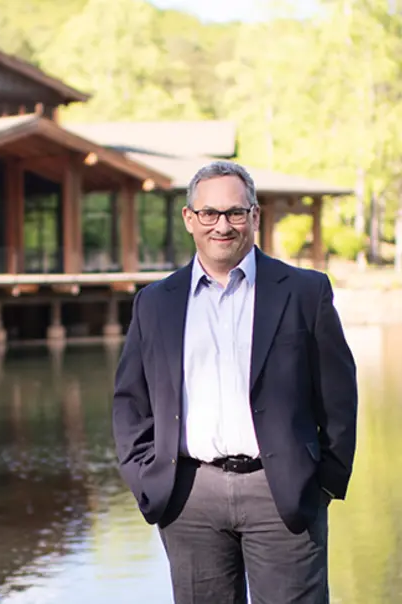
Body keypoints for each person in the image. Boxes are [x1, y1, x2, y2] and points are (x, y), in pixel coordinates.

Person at [110, 160, 358, 603]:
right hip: (189, 498)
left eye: (235, 212)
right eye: (209, 213)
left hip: (282, 493)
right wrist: (147, 479)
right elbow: (131, 402)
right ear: (189, 218)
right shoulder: (155, 303)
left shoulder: (304, 292)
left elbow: (339, 395)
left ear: (254, 216)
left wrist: (323, 483)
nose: (222, 225)